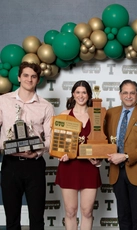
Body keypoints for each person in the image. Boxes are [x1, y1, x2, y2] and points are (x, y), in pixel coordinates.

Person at [0, 61, 55, 230]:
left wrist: (37, 151)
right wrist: (3, 146)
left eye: (33, 76)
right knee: (12, 218)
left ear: (37, 80)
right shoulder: (3, 101)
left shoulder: (46, 106)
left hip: (35, 166)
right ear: (18, 77)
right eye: (25, 75)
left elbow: (51, 138)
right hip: (10, 164)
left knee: (37, 218)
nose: (29, 79)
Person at [104, 79, 137, 230]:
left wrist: (125, 156)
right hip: (116, 172)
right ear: (120, 94)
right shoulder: (110, 113)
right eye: (125, 92)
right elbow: (104, 140)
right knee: (123, 216)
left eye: (132, 93)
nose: (128, 96)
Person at [55, 80, 102, 230]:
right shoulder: (63, 115)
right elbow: (58, 143)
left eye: (84, 92)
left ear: (88, 95)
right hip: (69, 167)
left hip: (89, 168)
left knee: (87, 212)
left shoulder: (96, 115)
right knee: (70, 211)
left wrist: (98, 158)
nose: (81, 95)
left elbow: (101, 141)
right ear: (73, 94)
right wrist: (60, 154)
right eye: (78, 92)